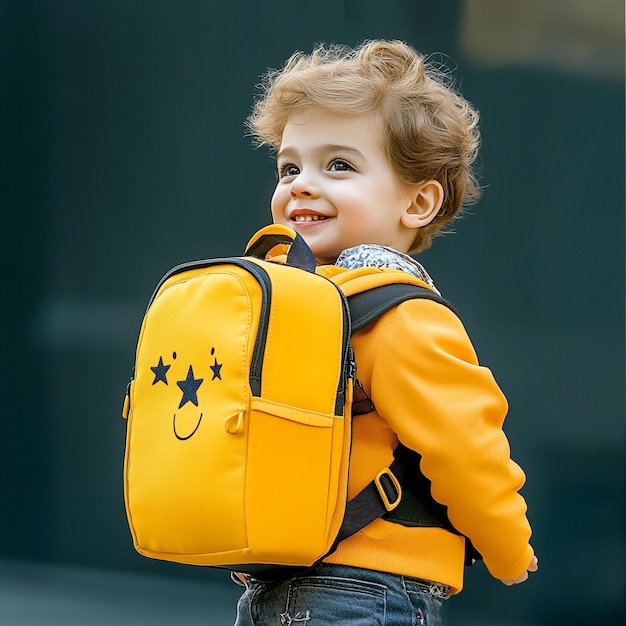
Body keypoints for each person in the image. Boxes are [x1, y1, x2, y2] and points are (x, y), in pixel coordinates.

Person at [233, 39, 538, 626]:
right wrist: (508, 548)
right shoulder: (399, 312)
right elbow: (464, 447)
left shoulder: (279, 308)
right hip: (366, 589)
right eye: (289, 166)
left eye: (338, 165)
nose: (299, 183)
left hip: (271, 588)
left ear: (420, 201)